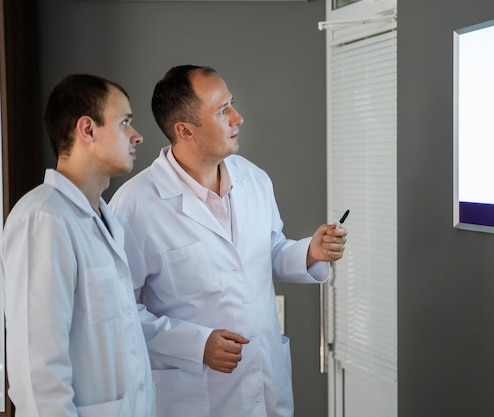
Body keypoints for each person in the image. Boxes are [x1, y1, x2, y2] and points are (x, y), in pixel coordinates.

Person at [109, 65, 348, 417]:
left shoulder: (254, 179)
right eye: (223, 110)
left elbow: (266, 252)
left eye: (231, 104)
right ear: (185, 130)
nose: (239, 117)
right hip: (193, 396)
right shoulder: (135, 206)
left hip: (265, 384)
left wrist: (309, 252)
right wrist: (195, 345)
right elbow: (118, 312)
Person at [1, 74, 155, 417]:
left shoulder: (102, 218)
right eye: (125, 122)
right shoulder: (42, 219)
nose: (137, 135)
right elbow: (36, 369)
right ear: (87, 130)